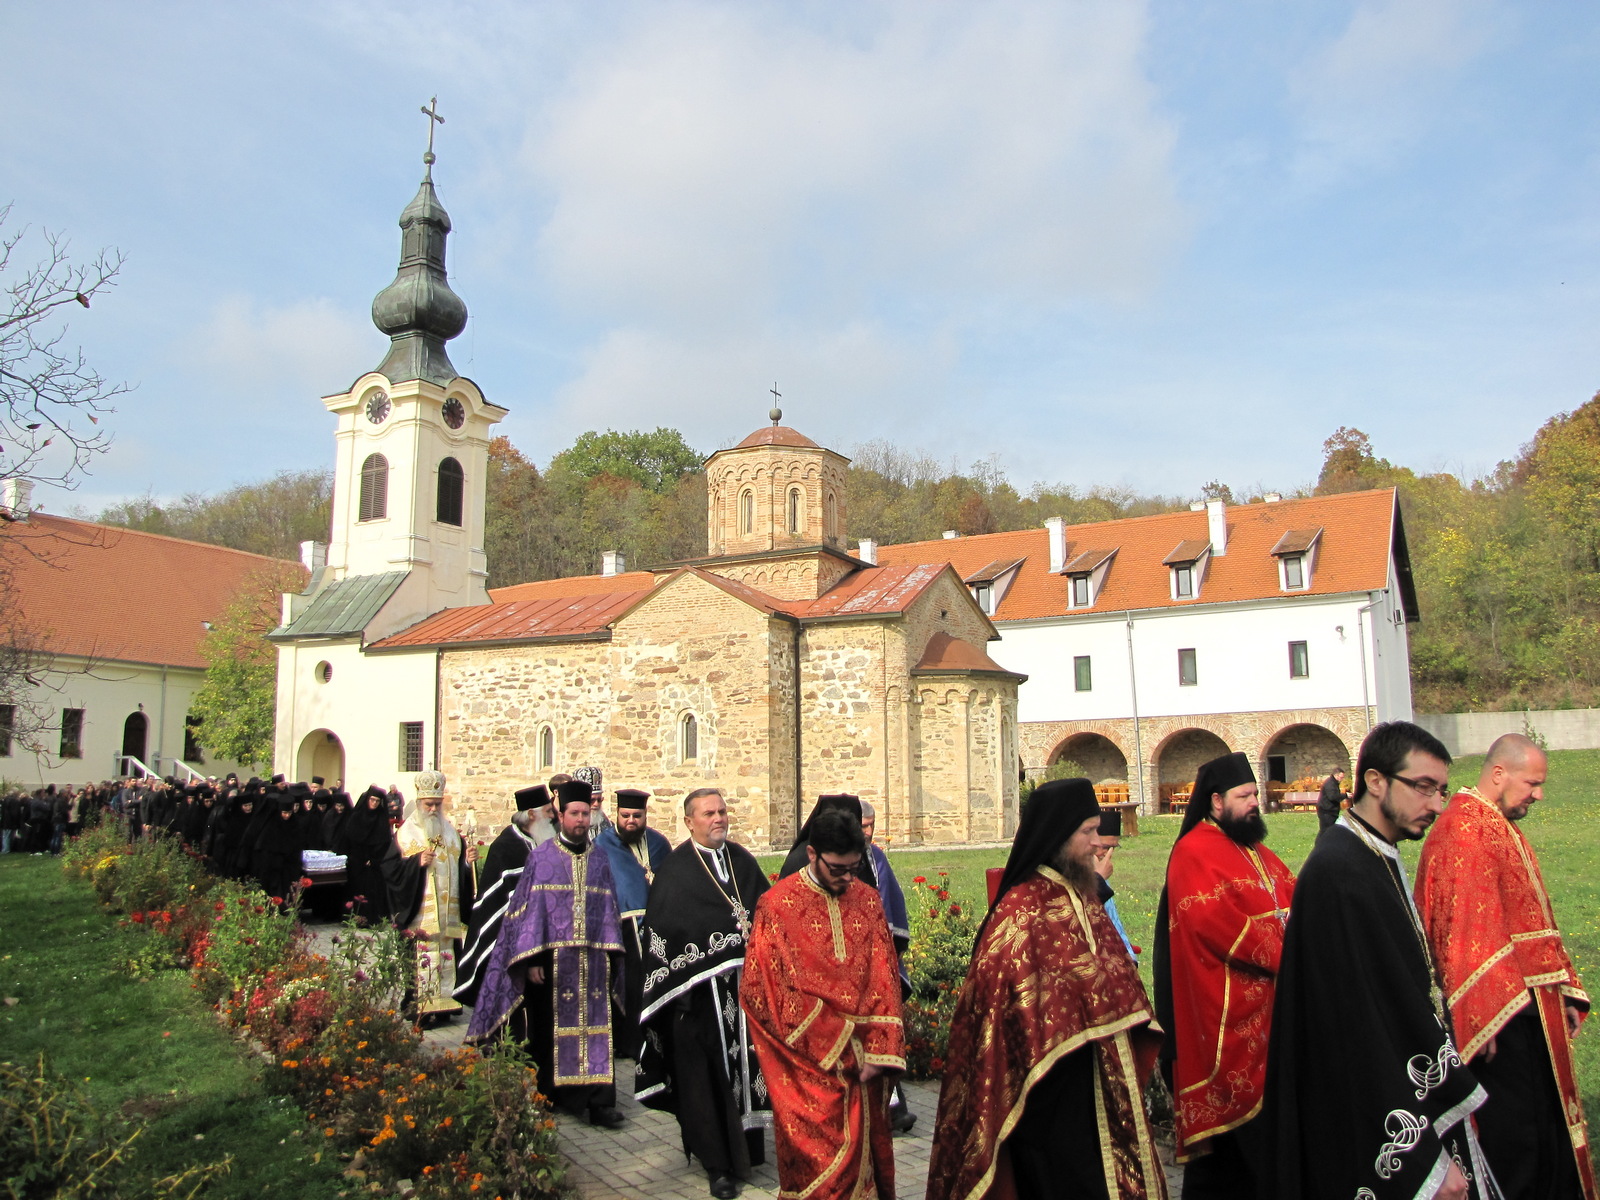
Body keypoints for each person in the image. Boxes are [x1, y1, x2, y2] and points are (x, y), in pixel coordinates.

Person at [1262, 720, 1495, 1199]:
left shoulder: (1375, 852)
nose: (1436, 805)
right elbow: (1354, 1028)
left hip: (1402, 1081)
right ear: (1375, 781)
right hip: (1370, 1105)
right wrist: (1424, 1153)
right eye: (1424, 787)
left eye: (1442, 790)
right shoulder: (1339, 871)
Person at [927, 778, 1167, 1200]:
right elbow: (997, 1013)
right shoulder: (1021, 912)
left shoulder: (1084, 895)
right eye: (1089, 832)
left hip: (1101, 1083)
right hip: (1046, 1095)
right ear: (1059, 835)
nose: (1099, 843)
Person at [1416, 733, 1595, 1199]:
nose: (1539, 794)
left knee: (1546, 1122)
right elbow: (1460, 927)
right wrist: (1479, 1012)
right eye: (1532, 783)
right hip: (1500, 1015)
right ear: (1499, 774)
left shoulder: (1496, 822)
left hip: (1533, 1004)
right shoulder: (1464, 829)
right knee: (1516, 1136)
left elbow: (1531, 916)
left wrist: (1562, 990)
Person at [1151, 750, 1294, 1198]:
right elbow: (1217, 924)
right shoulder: (1193, 851)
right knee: (1233, 1152)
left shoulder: (1258, 851)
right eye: (1244, 795)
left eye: (1255, 793)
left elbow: (1293, 900)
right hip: (1225, 1023)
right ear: (1215, 802)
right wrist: (1293, 952)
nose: (1255, 802)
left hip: (1269, 1019)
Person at [742, 807, 905, 1200]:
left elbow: (884, 974)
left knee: (864, 1171)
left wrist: (880, 1050)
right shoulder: (776, 906)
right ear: (812, 855)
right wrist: (841, 1045)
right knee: (816, 1173)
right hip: (806, 1066)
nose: (848, 877)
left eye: (854, 867)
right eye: (838, 869)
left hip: (865, 1065)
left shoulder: (866, 900)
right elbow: (765, 991)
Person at [467, 779, 627, 1129]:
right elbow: (526, 913)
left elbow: (609, 908)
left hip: (593, 960)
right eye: (574, 814)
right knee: (550, 1031)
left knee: (599, 1031)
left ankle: (600, 1101)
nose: (581, 820)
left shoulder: (600, 859)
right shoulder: (541, 857)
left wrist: (613, 956)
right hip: (553, 962)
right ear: (560, 814)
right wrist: (532, 958)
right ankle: (555, 1094)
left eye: (586, 813)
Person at [637, 787, 773, 1199]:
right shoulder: (676, 872)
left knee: (744, 1074)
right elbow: (661, 935)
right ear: (689, 821)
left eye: (722, 811)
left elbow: (767, 911)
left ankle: (748, 1151)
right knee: (706, 1084)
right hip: (698, 1002)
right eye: (709, 813)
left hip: (744, 996)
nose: (719, 819)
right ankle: (717, 1166)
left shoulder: (743, 862)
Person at [381, 771, 477, 1023]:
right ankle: (421, 1009)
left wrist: (467, 863)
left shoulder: (451, 833)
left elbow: (460, 869)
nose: (433, 809)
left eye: (437, 804)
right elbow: (390, 870)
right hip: (421, 915)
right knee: (422, 960)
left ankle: (445, 1007)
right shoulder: (406, 833)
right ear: (419, 803)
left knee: (447, 957)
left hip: (448, 915)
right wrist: (415, 862)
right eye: (429, 805)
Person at [453, 784, 549, 1009]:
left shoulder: (540, 840)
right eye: (548, 812)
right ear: (532, 814)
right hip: (509, 941)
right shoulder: (506, 846)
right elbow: (500, 902)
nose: (554, 816)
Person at [594, 788, 671, 1060]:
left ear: (645, 815)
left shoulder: (659, 844)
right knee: (626, 987)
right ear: (616, 813)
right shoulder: (602, 846)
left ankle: (656, 1037)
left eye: (637, 816)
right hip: (621, 929)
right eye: (625, 815)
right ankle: (628, 1042)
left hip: (656, 926)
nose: (631, 821)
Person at [859, 799, 917, 1134]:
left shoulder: (877, 858)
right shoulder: (842, 861)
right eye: (863, 826)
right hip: (852, 970)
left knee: (884, 1033)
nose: (868, 832)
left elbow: (892, 903)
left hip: (880, 964)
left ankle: (894, 1107)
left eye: (871, 826)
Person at [1095, 807, 1138, 960]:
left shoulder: (1101, 872)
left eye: (1113, 848)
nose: (1108, 854)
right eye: (1105, 847)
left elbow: (1114, 923)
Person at [1317, 766, 1347, 830]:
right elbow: (1332, 797)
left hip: (1330, 811)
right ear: (1336, 775)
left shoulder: (1334, 783)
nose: (1342, 779)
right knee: (1326, 831)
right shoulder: (1330, 784)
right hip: (1326, 811)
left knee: (1328, 831)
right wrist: (1345, 795)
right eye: (1341, 777)